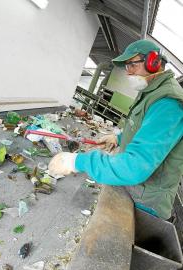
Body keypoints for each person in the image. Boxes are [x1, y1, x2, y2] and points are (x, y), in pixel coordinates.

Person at [49, 39, 183, 220]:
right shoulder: (151, 92)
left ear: (153, 62)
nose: (128, 72)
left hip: (147, 204)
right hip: (137, 190)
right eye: (126, 67)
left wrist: (76, 162)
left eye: (132, 65)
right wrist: (117, 137)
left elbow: (135, 167)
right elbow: (142, 127)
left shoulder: (168, 103)